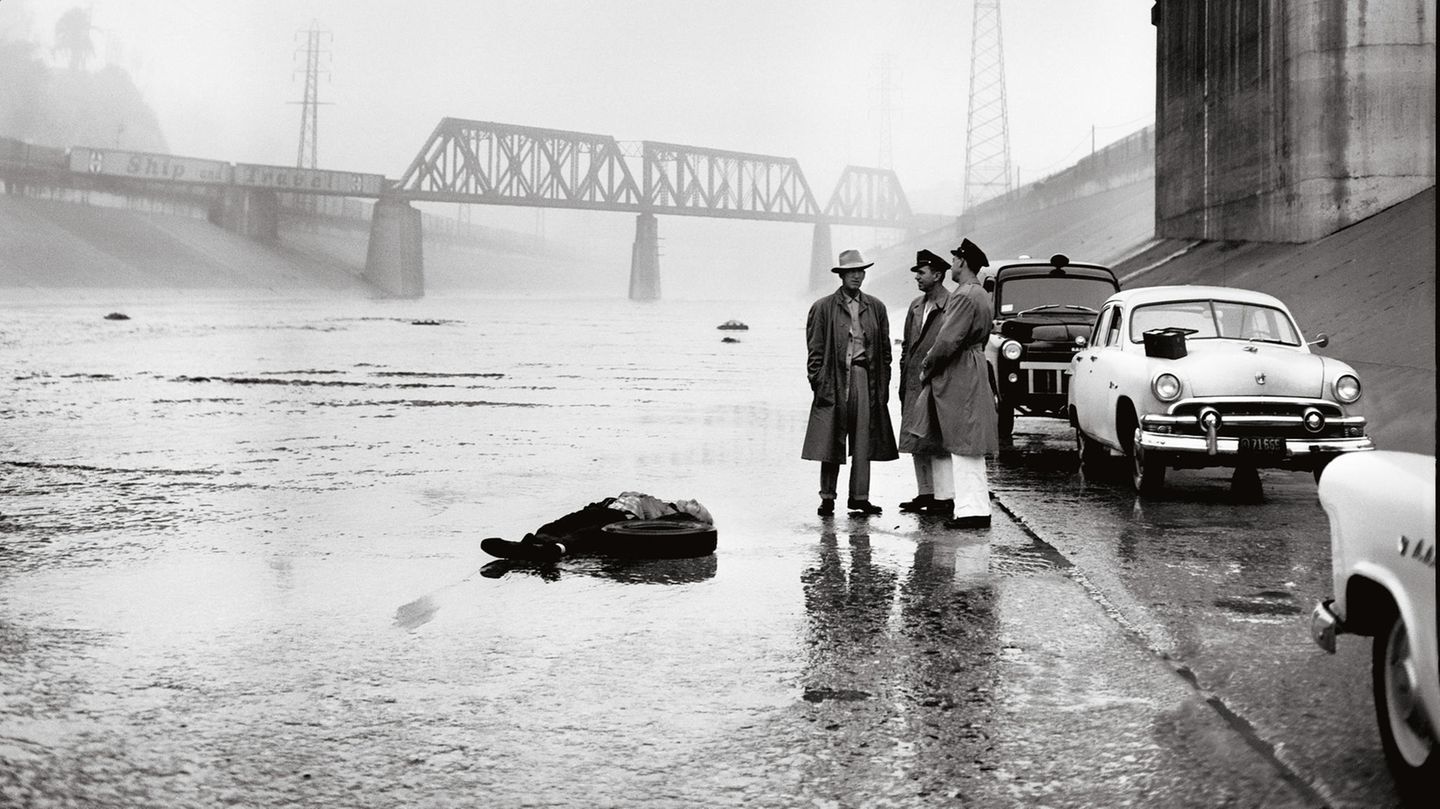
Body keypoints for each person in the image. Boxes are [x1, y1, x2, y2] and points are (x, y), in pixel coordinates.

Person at [909, 238, 1000, 529]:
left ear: (962, 262)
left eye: (954, 260)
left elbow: (947, 340)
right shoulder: (982, 294)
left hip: (960, 369)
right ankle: (974, 507)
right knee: (971, 439)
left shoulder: (963, 295)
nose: (951, 265)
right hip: (974, 363)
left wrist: (927, 365)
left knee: (962, 440)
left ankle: (971, 511)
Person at [802, 249, 899, 516]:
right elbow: (815, 351)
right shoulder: (822, 307)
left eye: (861, 271)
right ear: (841, 275)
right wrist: (818, 382)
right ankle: (827, 497)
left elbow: (885, 351)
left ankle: (859, 497)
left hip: (863, 377)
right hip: (834, 379)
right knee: (830, 440)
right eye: (851, 272)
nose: (857, 276)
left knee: (863, 440)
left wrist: (882, 385)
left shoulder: (876, 307)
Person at [481, 492, 714, 562]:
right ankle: (532, 545)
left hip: (622, 520)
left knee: (586, 534)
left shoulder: (676, 518)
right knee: (557, 524)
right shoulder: (661, 501)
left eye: (698, 507)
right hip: (602, 509)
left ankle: (554, 550)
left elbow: (683, 527)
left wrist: (692, 519)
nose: (693, 501)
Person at [897, 249, 956, 515]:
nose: (917, 278)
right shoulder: (915, 306)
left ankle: (944, 497)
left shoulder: (952, 304)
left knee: (938, 440)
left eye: (921, 273)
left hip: (937, 379)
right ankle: (925, 494)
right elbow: (907, 346)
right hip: (913, 380)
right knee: (915, 439)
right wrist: (902, 376)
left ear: (938, 275)